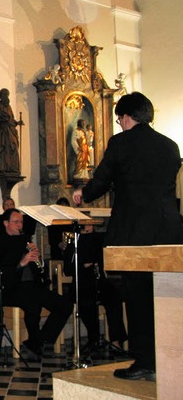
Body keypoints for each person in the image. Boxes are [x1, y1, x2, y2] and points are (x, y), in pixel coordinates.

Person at [73, 92, 182, 381]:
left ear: (126, 116)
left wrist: (83, 194)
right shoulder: (170, 146)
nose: (120, 124)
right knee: (170, 297)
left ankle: (146, 361)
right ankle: (173, 359)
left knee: (139, 298)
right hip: (171, 231)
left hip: (135, 234)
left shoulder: (121, 143)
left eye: (119, 119)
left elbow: (102, 179)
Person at [0, 209, 72, 361]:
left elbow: (38, 269)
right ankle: (36, 343)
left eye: (21, 222)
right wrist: (21, 263)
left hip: (32, 286)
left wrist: (38, 259)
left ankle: (39, 340)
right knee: (33, 303)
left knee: (65, 304)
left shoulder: (25, 240)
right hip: (8, 289)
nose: (19, 225)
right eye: (16, 222)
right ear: (6, 223)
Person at [59, 223, 127, 353]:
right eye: (85, 225)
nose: (88, 228)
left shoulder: (98, 242)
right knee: (86, 302)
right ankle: (93, 338)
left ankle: (116, 340)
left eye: (90, 225)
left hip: (99, 281)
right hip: (81, 283)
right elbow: (67, 270)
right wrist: (82, 265)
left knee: (114, 298)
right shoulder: (73, 245)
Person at [0, 88, 22, 175]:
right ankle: (4, 168)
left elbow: (11, 119)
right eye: (4, 94)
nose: (6, 96)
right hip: (3, 132)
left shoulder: (9, 107)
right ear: (1, 96)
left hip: (10, 130)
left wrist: (17, 122)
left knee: (14, 146)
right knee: (4, 147)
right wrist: (2, 118)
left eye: (7, 95)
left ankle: (13, 168)